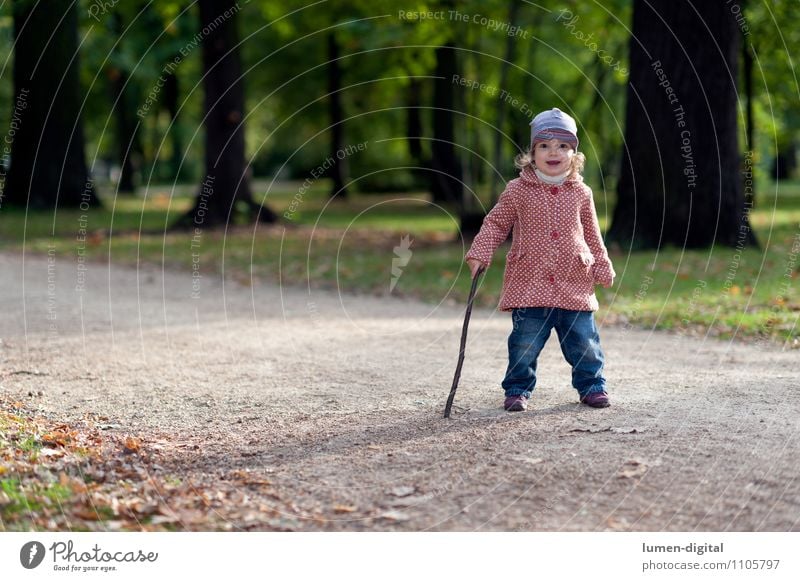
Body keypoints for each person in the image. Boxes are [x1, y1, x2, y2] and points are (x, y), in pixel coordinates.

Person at [465, 107, 615, 412]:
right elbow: (496, 223)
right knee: (523, 344)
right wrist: (481, 251)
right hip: (529, 283)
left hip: (574, 282)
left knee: (585, 343)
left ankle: (592, 386)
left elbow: (592, 232)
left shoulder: (582, 193)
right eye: (544, 145)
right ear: (532, 153)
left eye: (562, 146)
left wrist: (601, 262)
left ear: (574, 153)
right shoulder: (518, 190)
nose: (553, 152)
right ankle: (517, 388)